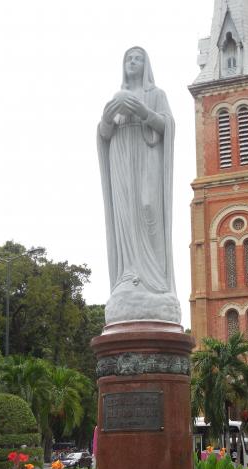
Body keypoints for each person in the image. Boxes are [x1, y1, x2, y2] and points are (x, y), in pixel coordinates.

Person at [98, 46, 180, 324]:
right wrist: (107, 119)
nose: (133, 62)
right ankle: (128, 274)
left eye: (138, 59)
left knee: (148, 208)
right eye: (128, 59)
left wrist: (145, 112)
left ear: (146, 65)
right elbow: (104, 134)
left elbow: (167, 125)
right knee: (126, 217)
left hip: (146, 157)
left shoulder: (156, 95)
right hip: (121, 156)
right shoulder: (115, 97)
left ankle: (155, 279)